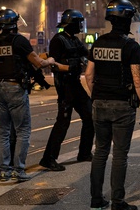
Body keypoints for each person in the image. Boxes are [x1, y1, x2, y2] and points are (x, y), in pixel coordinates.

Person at [85, 0, 140, 210]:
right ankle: (117, 202)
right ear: (128, 20)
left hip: (99, 104)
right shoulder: (130, 46)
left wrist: (95, 96)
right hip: (122, 105)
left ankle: (96, 200)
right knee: (120, 155)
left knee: (100, 152)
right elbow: (137, 79)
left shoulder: (98, 42)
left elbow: (88, 75)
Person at [0, 8, 55, 182]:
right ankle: (19, 170)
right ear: (13, 23)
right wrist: (50, 61)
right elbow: (38, 63)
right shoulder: (19, 41)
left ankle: (4, 171)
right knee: (23, 130)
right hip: (15, 87)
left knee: (2, 131)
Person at [40, 9, 94, 171]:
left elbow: (88, 54)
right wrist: (70, 67)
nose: (81, 26)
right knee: (63, 122)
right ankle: (48, 158)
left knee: (90, 116)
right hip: (65, 85)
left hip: (75, 84)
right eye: (79, 23)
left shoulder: (75, 40)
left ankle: (84, 152)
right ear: (71, 23)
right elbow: (54, 65)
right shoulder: (59, 40)